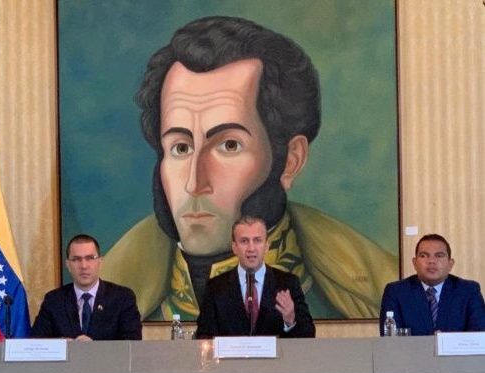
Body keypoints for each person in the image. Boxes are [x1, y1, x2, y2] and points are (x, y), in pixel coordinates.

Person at [102, 15, 398, 321]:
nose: (194, 183)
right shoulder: (117, 306)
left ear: (291, 160)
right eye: (181, 148)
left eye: (229, 145)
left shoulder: (367, 301)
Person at [196, 216, 315, 338]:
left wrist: (290, 320)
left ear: (266, 246)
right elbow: (203, 335)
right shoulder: (215, 287)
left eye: (257, 240)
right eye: (244, 241)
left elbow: (308, 334)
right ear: (234, 248)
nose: (251, 248)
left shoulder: (288, 283)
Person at [31, 234, 142, 341]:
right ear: (68, 265)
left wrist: (93, 348)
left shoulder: (122, 298)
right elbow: (37, 342)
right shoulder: (54, 300)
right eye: (76, 259)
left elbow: (132, 343)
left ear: (100, 262)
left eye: (90, 258)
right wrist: (61, 344)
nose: (84, 266)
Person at [380, 234, 485, 336]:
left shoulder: (468, 291)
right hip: (411, 349)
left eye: (439, 255)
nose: (431, 261)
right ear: (415, 263)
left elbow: (479, 335)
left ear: (450, 264)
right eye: (424, 256)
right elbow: (390, 339)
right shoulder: (396, 292)